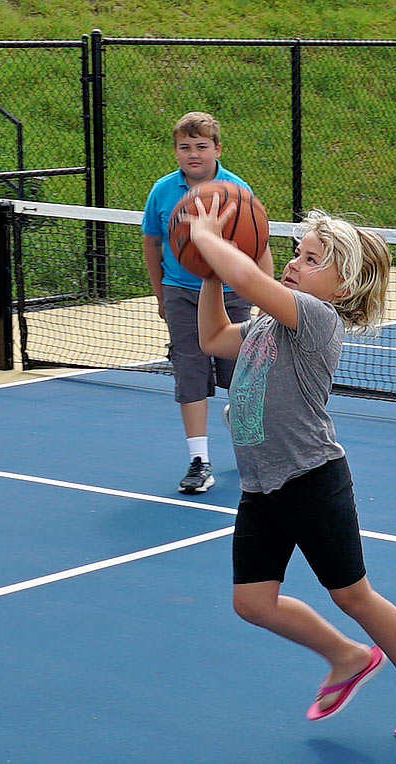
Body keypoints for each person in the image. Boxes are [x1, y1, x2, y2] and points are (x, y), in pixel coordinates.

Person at [191, 196, 396, 742]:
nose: (294, 262)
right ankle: (345, 655)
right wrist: (207, 276)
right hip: (261, 487)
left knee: (352, 594)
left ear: (342, 288)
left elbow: (248, 278)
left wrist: (208, 239)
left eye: (312, 259)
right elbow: (212, 338)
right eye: (296, 252)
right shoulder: (266, 328)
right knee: (252, 603)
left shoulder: (316, 321)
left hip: (312, 479)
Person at [142, 111, 273, 494]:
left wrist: (265, 297)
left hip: (231, 295)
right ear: (176, 151)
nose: (193, 154)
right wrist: (160, 292)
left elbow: (258, 245)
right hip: (182, 295)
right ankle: (199, 460)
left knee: (241, 376)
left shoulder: (237, 191)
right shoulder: (163, 192)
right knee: (189, 369)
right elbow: (152, 243)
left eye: (201, 146)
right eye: (185, 147)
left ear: (217, 149)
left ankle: (253, 449)